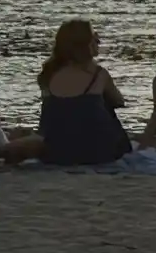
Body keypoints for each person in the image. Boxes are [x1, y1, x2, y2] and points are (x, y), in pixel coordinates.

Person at [32, 19, 132, 165]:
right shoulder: (99, 75)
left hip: (56, 153)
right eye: (94, 36)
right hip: (101, 154)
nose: (99, 40)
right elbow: (119, 101)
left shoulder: (47, 76)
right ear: (86, 45)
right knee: (104, 105)